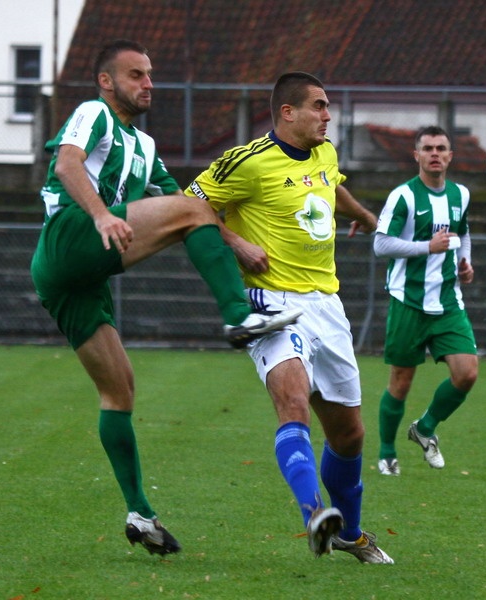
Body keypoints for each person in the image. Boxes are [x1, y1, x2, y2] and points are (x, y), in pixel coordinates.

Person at [29, 40, 300, 557]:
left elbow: (188, 205)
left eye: (150, 75)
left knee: (119, 391)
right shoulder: (93, 113)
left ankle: (139, 513)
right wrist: (103, 215)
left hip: (74, 278)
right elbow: (67, 166)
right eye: (136, 75)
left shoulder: (146, 146)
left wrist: (236, 242)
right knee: (187, 214)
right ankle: (239, 317)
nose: (148, 84)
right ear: (107, 82)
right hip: (68, 236)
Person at [184, 72, 393, 564]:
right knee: (293, 402)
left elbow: (332, 187)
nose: (328, 115)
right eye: (319, 106)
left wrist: (362, 215)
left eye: (328, 107)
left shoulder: (325, 153)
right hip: (271, 301)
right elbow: (188, 203)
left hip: (327, 303)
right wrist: (235, 242)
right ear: (287, 112)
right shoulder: (247, 163)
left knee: (350, 434)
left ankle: (350, 532)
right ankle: (314, 513)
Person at [373, 125, 479, 476]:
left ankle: (426, 427)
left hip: (448, 301)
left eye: (441, 148)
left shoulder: (460, 195)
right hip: (408, 302)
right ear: (416, 155)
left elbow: (462, 233)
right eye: (428, 148)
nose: (435, 153)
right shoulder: (403, 196)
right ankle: (387, 452)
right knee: (401, 382)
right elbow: (381, 244)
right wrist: (426, 247)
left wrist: (466, 263)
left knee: (467, 373)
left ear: (451, 155)